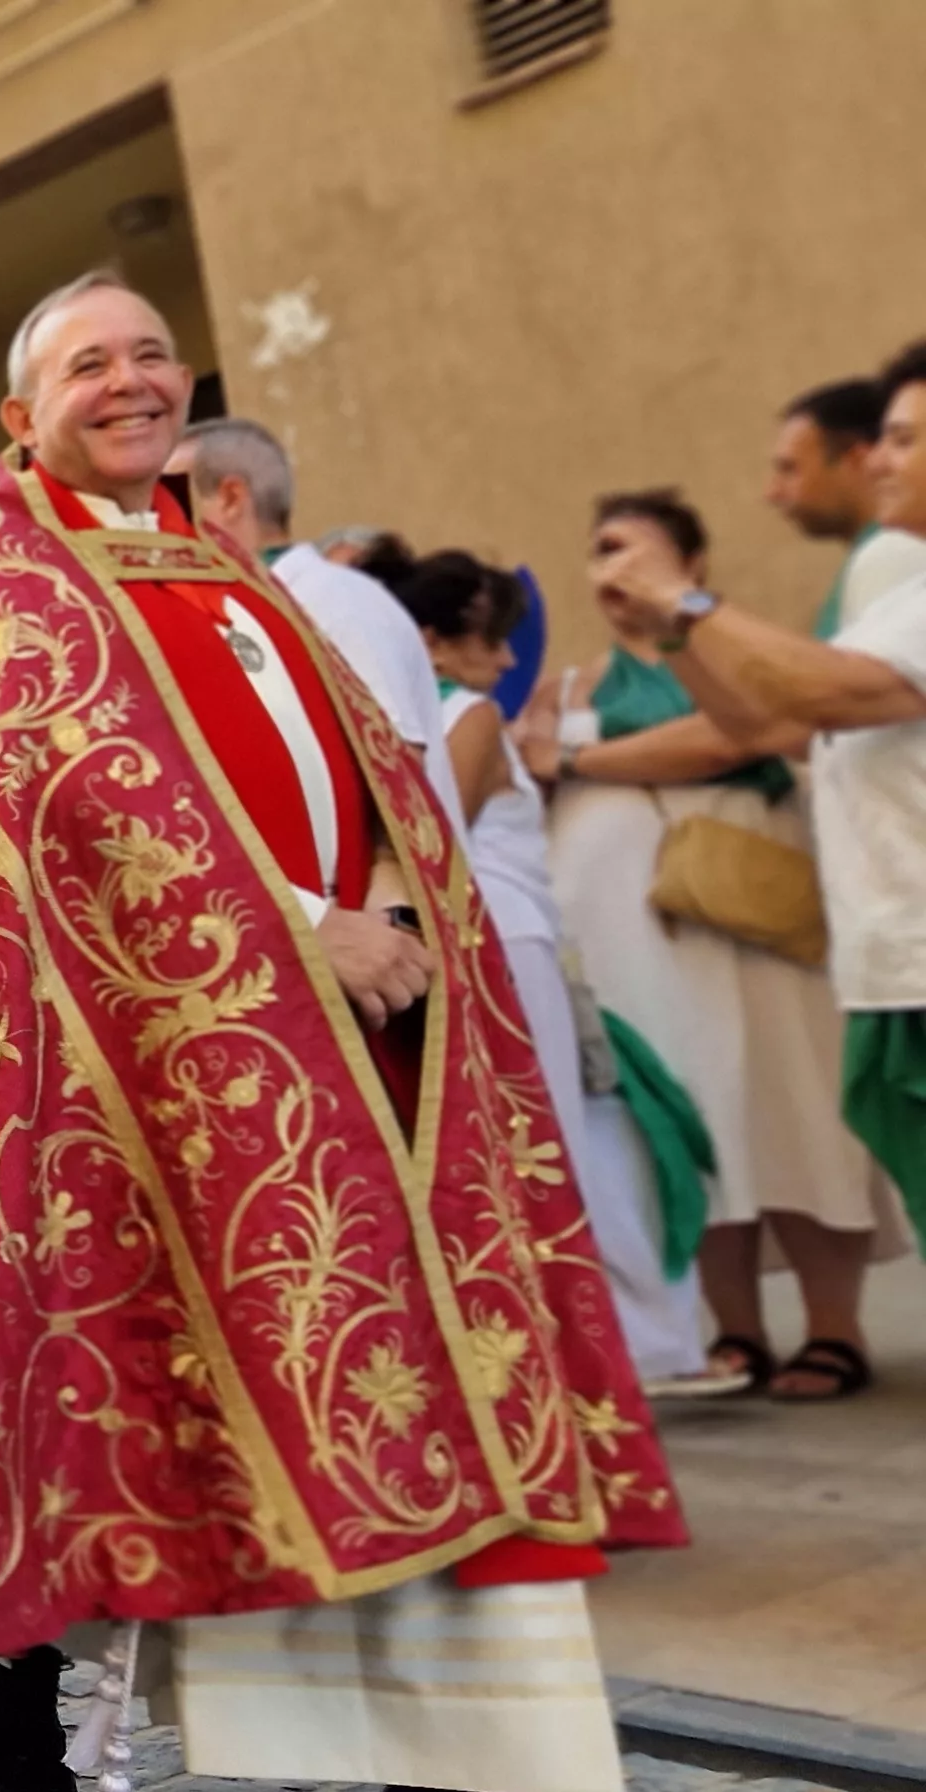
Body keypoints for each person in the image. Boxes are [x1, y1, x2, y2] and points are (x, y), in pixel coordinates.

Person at [0, 272, 678, 1792]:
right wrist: (301, 930)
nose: (132, 381)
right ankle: (22, 1669)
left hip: (366, 1049)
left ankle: (469, 1780)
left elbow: (372, 773)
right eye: (91, 364)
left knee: (413, 1395)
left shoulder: (217, 562)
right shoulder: (1, 575)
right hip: (154, 1080)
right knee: (151, 1414)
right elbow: (84, 803)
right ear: (25, 416)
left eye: (153, 353)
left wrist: (398, 910)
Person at [519, 487, 889, 1400]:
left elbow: (735, 734)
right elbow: (521, 762)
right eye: (601, 550)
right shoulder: (570, 685)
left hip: (762, 915)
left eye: (633, 551)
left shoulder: (729, 652)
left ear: (693, 566)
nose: (613, 570)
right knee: (698, 1116)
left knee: (791, 1101)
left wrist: (579, 760)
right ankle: (736, 1332)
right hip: (644, 935)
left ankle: (835, 1328)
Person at [616, 339, 926, 1263]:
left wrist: (688, 604)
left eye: (905, 440)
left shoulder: (891, 579)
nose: (879, 459)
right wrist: (671, 636)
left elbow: (833, 691)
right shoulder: (900, 589)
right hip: (898, 962)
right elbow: (777, 724)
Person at [381, 551, 710, 1387]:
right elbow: (434, 835)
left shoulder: (417, 716)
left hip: (495, 937)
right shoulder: (468, 714)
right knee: (545, 1139)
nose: (502, 661)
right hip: (504, 940)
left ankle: (581, 1341)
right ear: (433, 642)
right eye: (488, 641)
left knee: (538, 1139)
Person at [173, 417, 463, 821]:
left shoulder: (332, 599)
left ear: (231, 497)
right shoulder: (246, 605)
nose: (153, 523)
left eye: (169, 500)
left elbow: (396, 762)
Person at [760, 377, 914, 639]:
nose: (772, 493)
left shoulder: (895, 550)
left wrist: (684, 599)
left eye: (790, 469)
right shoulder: (876, 555)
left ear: (858, 459)